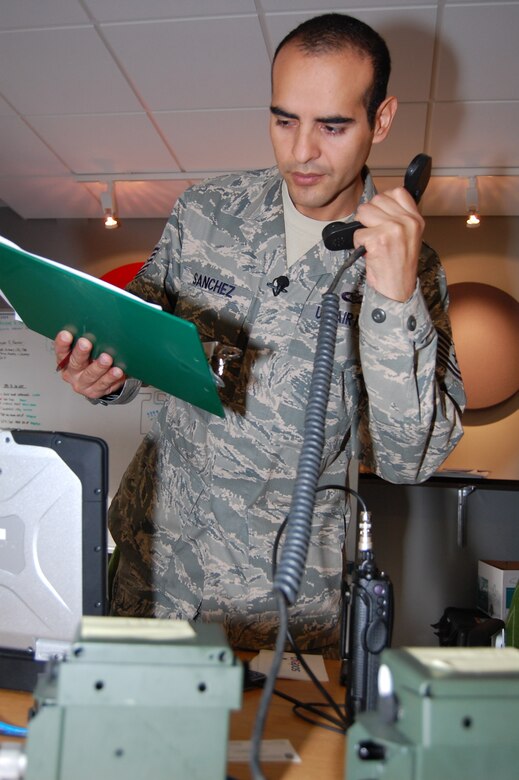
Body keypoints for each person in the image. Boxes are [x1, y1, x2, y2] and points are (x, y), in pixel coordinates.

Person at [54, 13, 465, 656]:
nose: (302, 151)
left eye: (332, 126)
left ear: (381, 122)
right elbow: (136, 339)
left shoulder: (418, 271)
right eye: (283, 120)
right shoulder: (204, 213)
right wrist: (101, 373)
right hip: (151, 567)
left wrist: (392, 298)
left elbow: (412, 460)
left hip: (279, 606)